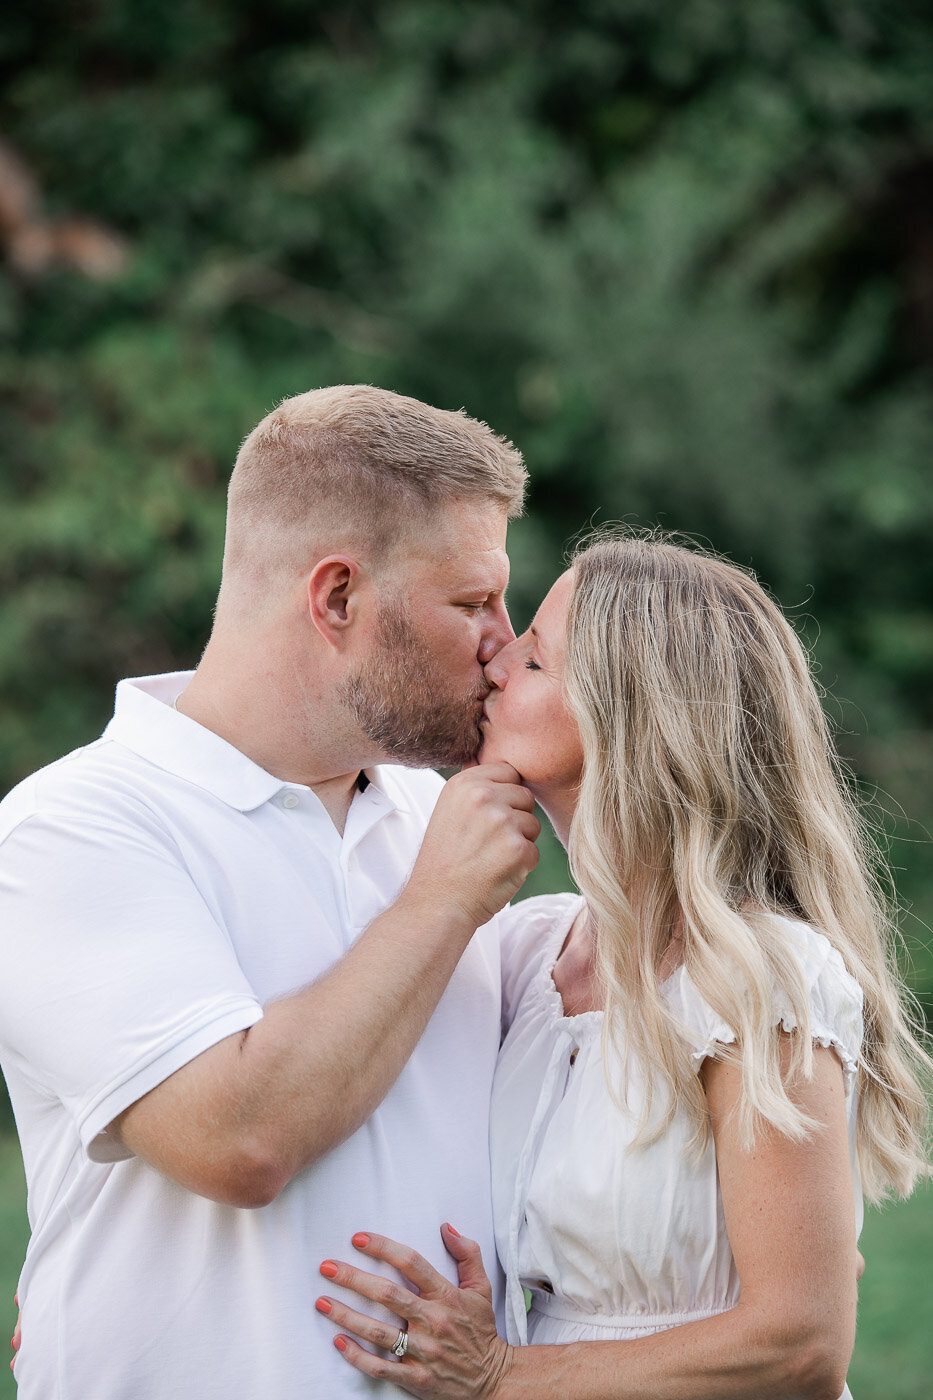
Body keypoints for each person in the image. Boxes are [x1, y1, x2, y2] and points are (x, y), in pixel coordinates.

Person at [0, 385, 542, 1398]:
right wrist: (439, 902)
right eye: (474, 601)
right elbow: (237, 1138)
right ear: (336, 598)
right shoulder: (71, 829)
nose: (503, 644)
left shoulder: (441, 824)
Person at [316, 534, 932, 1400]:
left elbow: (799, 1344)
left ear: (623, 712)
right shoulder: (527, 953)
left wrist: (500, 1376)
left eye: (533, 657)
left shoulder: (759, 976)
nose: (495, 662)